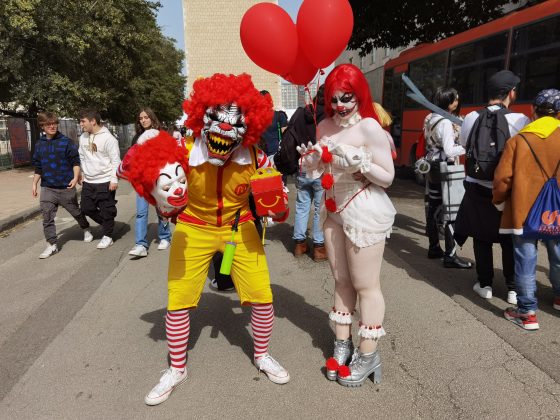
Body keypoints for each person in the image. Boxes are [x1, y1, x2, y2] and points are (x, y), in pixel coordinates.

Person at [126, 74, 290, 406]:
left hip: (239, 228)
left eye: (237, 124)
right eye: (218, 119)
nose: (227, 131)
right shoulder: (182, 152)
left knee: (262, 295)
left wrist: (275, 204)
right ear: (202, 116)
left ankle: (262, 354)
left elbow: (274, 193)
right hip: (193, 228)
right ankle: (177, 368)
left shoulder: (256, 156)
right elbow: (138, 174)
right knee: (179, 299)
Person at [298, 63, 396, 387]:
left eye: (347, 98)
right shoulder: (323, 126)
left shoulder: (369, 127)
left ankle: (368, 355)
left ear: (359, 96)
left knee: (366, 285)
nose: (340, 105)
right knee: (341, 281)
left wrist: (363, 165)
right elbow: (318, 171)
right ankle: (342, 345)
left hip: (364, 210)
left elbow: (389, 176)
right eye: (335, 98)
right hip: (333, 210)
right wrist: (310, 162)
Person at [454, 70, 530, 303]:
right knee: (509, 238)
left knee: (481, 236)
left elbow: (466, 146)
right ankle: (512, 288)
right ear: (510, 93)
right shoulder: (520, 120)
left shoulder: (470, 118)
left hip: (476, 186)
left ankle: (485, 284)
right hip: (505, 189)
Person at [493, 89, 560, 330]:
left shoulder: (519, 140)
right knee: (558, 256)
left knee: (525, 259)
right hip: (557, 211)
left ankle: (527, 312)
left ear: (533, 111)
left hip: (523, 211)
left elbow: (502, 180)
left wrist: (499, 202)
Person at [32, 111, 92, 258]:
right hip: (47, 187)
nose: (52, 126)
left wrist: (76, 176)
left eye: (54, 123)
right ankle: (51, 245)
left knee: (76, 212)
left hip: (66, 186)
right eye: (48, 124)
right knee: (47, 216)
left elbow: (75, 162)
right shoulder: (39, 144)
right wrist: (34, 184)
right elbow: (38, 167)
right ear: (42, 126)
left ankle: (86, 228)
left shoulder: (66, 142)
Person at [423, 87, 471, 269]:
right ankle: (450, 256)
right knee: (452, 213)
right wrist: (468, 147)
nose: (458, 101)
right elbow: (450, 150)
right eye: (455, 99)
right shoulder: (444, 122)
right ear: (449, 103)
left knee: (433, 208)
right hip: (446, 169)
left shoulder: (431, 118)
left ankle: (434, 247)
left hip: (433, 168)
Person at [289, 85, 328, 261]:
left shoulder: (300, 114)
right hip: (321, 167)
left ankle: (299, 244)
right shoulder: (329, 116)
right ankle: (319, 247)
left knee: (302, 205)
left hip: (303, 164)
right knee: (320, 208)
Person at [128, 108, 172, 257]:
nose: (143, 120)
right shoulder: (136, 138)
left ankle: (165, 236)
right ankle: (141, 244)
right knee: (141, 213)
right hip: (142, 181)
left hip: (158, 180)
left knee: (161, 210)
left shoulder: (161, 135)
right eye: (141, 118)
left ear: (152, 118)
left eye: (146, 117)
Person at [77, 108, 121, 249]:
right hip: (89, 181)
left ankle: (107, 235)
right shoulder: (83, 137)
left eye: (83, 121)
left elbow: (116, 161)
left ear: (93, 121)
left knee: (106, 208)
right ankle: (108, 223)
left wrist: (114, 179)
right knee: (86, 208)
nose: (81, 124)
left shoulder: (109, 139)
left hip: (105, 180)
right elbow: (82, 156)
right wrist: (82, 173)